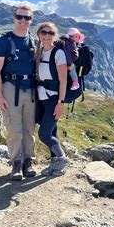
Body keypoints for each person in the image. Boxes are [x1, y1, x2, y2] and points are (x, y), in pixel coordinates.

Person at [0, 6, 36, 181]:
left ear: (31, 20)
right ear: (14, 18)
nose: (23, 20)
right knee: (14, 129)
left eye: (27, 17)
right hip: (10, 88)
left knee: (29, 129)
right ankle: (16, 163)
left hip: (30, 89)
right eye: (20, 17)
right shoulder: (2, 41)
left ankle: (28, 162)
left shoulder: (33, 41)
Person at [35, 22, 70, 176]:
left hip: (53, 99)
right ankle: (55, 165)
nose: (47, 35)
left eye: (50, 33)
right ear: (39, 34)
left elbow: (63, 81)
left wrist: (60, 103)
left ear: (54, 35)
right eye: (44, 32)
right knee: (52, 133)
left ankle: (62, 158)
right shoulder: (39, 51)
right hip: (41, 97)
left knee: (44, 134)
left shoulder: (58, 54)